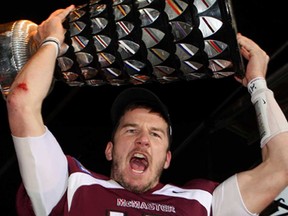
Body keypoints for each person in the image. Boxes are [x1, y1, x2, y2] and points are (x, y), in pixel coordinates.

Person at [6, 4, 288, 216]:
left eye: (155, 134)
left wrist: (258, 84)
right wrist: (51, 41)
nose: (142, 139)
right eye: (131, 130)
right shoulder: (70, 186)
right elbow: (22, 101)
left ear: (166, 158)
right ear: (109, 150)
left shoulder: (203, 202)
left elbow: (282, 166)